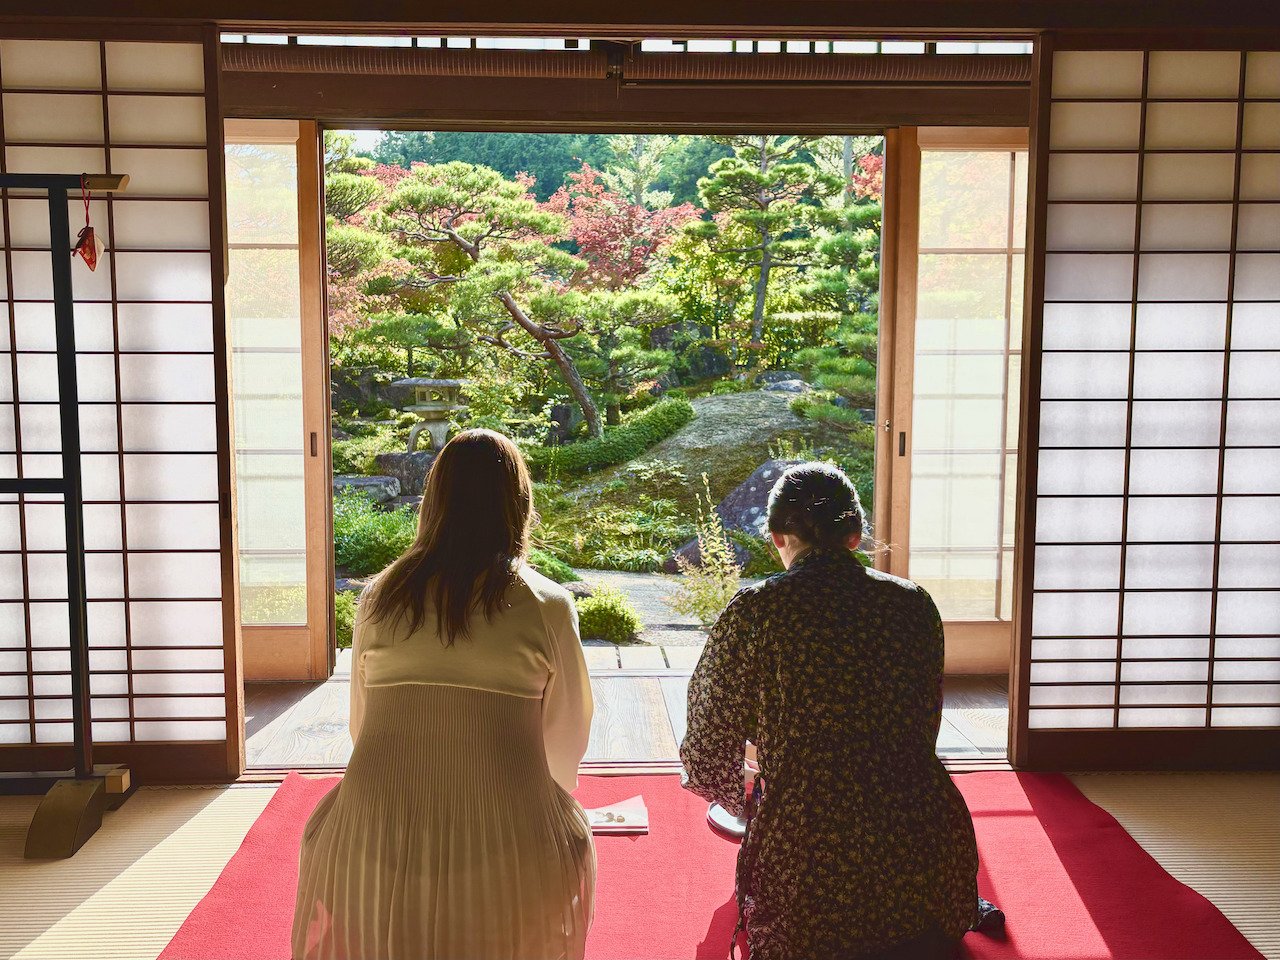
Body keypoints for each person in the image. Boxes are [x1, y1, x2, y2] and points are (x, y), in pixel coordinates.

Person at [292, 429, 595, 960]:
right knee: (565, 835)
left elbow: (364, 730)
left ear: (433, 502)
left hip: (374, 840)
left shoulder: (379, 598)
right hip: (507, 842)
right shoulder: (545, 605)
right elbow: (567, 739)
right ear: (516, 504)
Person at [681, 462, 984, 960]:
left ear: (778, 537)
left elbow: (710, 729)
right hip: (924, 853)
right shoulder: (913, 603)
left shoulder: (759, 607)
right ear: (855, 535)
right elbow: (922, 720)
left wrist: (743, 792)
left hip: (807, 852)